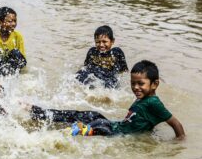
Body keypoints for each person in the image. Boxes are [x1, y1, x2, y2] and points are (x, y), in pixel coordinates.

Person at [32, 60, 185, 140]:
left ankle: (43, 128)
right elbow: (146, 119)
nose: (136, 87)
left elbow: (175, 123)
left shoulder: (154, 102)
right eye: (133, 83)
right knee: (83, 115)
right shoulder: (145, 98)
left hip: (113, 132)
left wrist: (179, 142)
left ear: (155, 84)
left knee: (80, 127)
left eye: (141, 84)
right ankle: (41, 113)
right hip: (111, 125)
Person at [0, 6, 27, 76]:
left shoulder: (18, 36)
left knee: (16, 53)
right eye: (10, 21)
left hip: (12, 66)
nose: (13, 24)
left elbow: (22, 59)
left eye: (15, 21)